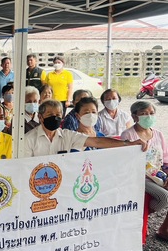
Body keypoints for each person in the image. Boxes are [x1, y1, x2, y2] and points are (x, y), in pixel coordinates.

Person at [24, 100, 145, 157]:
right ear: (40, 117)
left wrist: (128, 143)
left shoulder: (68, 135)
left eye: (58, 115)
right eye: (50, 115)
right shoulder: (29, 139)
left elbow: (97, 142)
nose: (55, 118)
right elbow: (24, 166)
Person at [121, 101, 168, 240]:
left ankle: (164, 229)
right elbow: (125, 162)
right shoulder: (128, 135)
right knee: (164, 197)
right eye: (143, 113)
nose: (148, 116)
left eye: (151, 113)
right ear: (134, 116)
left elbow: (165, 159)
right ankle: (141, 218)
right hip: (138, 177)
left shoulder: (158, 134)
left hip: (158, 175)